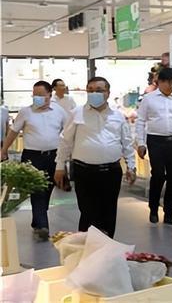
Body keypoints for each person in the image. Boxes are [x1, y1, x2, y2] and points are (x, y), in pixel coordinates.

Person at [53, 77, 136, 238]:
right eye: (90, 90)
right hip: (84, 172)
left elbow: (126, 143)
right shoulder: (77, 113)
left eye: (98, 90)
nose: (93, 94)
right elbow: (65, 141)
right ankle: (87, 248)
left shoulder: (118, 116)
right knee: (88, 213)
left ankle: (106, 247)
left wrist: (131, 166)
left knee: (109, 212)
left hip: (111, 172)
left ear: (108, 93)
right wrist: (59, 166)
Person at [1, 81, 68, 241]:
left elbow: (67, 132)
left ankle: (38, 219)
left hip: (54, 156)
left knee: (47, 189)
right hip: (32, 157)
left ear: (49, 95)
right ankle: (42, 226)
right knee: (37, 190)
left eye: (40, 95)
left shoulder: (59, 111)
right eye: (34, 95)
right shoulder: (26, 112)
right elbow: (13, 132)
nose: (36, 98)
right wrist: (4, 150)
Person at [136, 67, 172, 225]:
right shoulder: (149, 99)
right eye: (168, 83)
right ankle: (153, 208)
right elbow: (140, 121)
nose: (171, 86)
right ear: (159, 82)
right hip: (155, 141)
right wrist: (141, 143)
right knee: (158, 175)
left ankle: (169, 213)